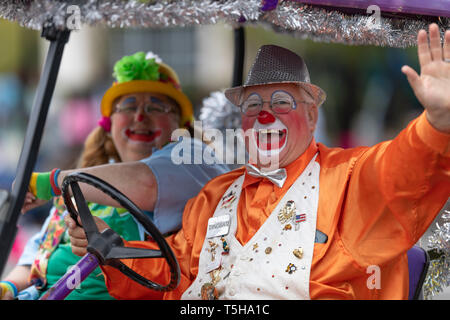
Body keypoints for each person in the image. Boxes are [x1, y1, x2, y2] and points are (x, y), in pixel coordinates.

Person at [65, 23, 450, 300]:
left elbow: (404, 168)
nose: (266, 116)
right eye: (253, 106)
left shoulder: (347, 178)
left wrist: (436, 123)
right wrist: (113, 248)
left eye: (282, 101)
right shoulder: (217, 194)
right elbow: (176, 274)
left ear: (312, 116)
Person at [0, 51, 229, 300]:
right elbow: (37, 256)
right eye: (128, 106)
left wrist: (50, 183)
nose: (140, 116)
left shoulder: (192, 159)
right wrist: (8, 288)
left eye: (156, 106)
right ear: (110, 125)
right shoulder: (84, 177)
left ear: (181, 125)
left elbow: (144, 182)